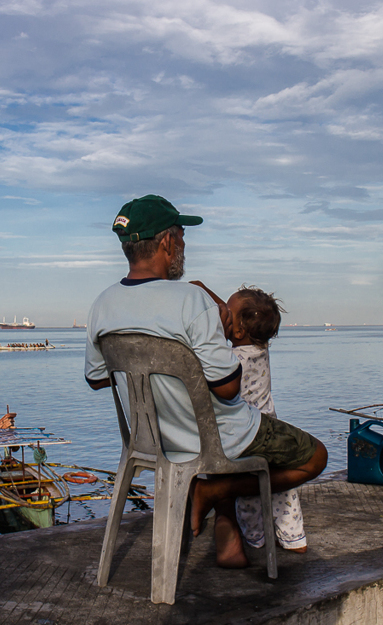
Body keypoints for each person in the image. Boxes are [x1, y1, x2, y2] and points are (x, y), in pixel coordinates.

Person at [84, 195, 327, 569]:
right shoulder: (191, 300)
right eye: (181, 235)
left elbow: (98, 381)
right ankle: (216, 488)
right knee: (316, 456)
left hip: (157, 441)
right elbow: (229, 389)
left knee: (224, 438)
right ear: (167, 242)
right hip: (217, 437)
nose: (183, 244)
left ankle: (220, 514)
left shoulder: (102, 304)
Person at [190, 282, 308, 554]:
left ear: (238, 329)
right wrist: (209, 292)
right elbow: (238, 318)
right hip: (272, 430)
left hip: (245, 434)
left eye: (228, 314)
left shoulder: (231, 358)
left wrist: (201, 296)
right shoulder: (261, 348)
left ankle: (256, 540)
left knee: (248, 495)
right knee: (284, 491)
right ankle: (294, 539)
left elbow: (217, 345)